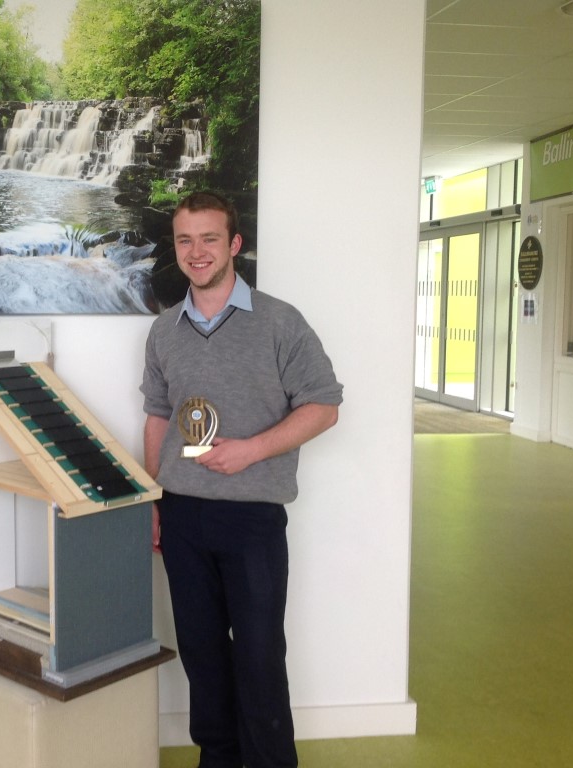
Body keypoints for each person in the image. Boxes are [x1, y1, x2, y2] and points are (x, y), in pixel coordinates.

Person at [141, 191, 342, 768]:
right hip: (182, 515)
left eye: (209, 238)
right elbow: (157, 416)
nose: (196, 251)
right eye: (185, 240)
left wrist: (250, 451)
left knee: (258, 657)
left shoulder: (280, 321)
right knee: (202, 656)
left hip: (252, 517)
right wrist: (151, 495)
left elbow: (324, 407)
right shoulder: (164, 331)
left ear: (234, 244)